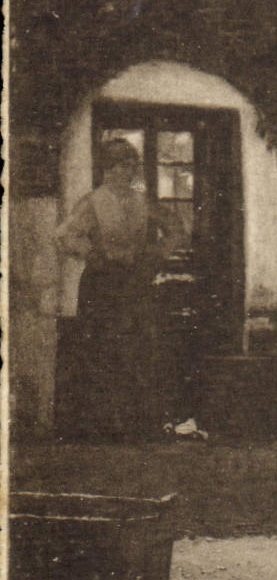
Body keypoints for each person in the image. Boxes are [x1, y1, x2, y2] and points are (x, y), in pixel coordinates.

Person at [51, 139, 179, 441]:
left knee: (137, 349)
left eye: (132, 164)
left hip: (135, 284)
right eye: (123, 165)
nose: (129, 170)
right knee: (102, 350)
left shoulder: (142, 201)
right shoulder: (93, 201)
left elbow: (176, 229)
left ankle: (136, 426)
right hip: (101, 285)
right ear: (108, 169)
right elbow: (64, 236)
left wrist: (155, 254)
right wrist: (95, 253)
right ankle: (102, 426)